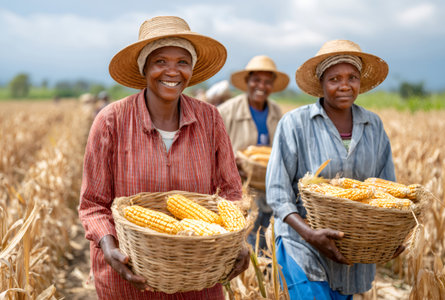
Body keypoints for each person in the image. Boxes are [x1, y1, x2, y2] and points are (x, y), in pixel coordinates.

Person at [78, 16, 249, 300]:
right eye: (160, 62)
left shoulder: (210, 119)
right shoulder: (111, 121)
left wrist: (235, 240)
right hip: (130, 276)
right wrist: (109, 249)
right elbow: (93, 204)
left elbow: (231, 192)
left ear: (191, 69)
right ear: (144, 67)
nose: (172, 71)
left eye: (182, 62)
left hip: (198, 275)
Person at [266, 39, 404, 299]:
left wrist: (390, 237)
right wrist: (310, 233)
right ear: (320, 84)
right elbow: (277, 193)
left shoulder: (373, 126)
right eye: (334, 79)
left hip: (351, 253)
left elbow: (388, 190)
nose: (344, 86)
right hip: (302, 244)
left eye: (352, 77)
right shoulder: (294, 124)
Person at [218, 55, 289, 250]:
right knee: (244, 246)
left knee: (266, 244)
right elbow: (211, 149)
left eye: (267, 82)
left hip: (269, 189)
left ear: (272, 85)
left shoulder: (276, 111)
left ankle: (265, 279)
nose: (261, 86)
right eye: (256, 80)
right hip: (240, 191)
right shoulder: (227, 111)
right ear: (247, 82)